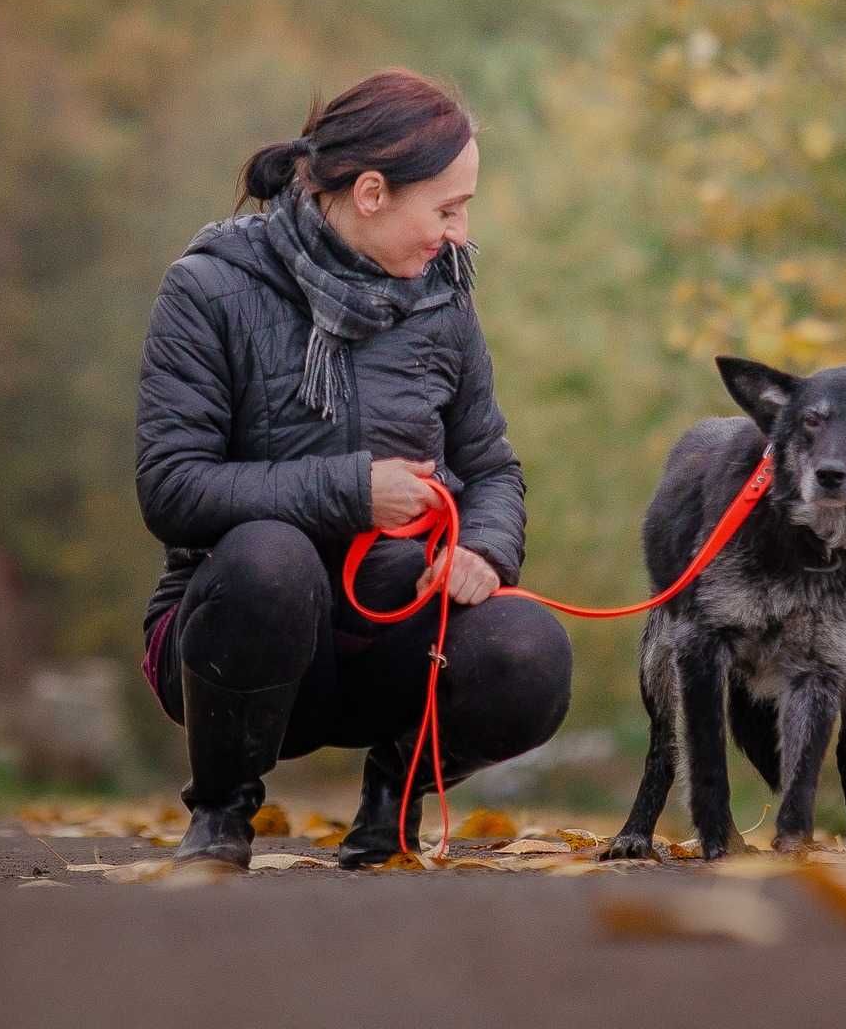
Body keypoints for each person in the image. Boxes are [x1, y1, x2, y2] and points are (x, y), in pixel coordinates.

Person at [134, 67, 573, 870]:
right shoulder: (207, 290)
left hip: (390, 635)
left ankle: (391, 808)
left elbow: (494, 469)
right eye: (447, 209)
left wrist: (483, 550)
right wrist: (350, 492)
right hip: (237, 637)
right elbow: (171, 487)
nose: (459, 234)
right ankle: (222, 809)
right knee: (271, 557)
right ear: (371, 193)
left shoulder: (444, 301)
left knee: (532, 650)